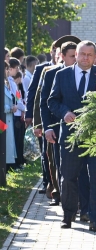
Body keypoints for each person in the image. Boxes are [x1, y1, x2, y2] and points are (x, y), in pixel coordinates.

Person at [48, 40, 96, 232]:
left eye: (90, 55)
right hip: (70, 135)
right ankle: (68, 216)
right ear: (76, 54)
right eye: (82, 54)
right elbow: (52, 101)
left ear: (95, 56)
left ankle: (95, 219)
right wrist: (64, 112)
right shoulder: (62, 75)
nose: (85, 58)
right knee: (68, 176)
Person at [25, 38, 67, 195]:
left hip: (64, 120)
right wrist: (35, 120)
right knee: (47, 153)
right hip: (49, 119)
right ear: (54, 53)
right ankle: (48, 182)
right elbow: (35, 96)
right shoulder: (44, 69)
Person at [41, 38, 80, 207]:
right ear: (62, 56)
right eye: (72, 56)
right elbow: (44, 102)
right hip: (58, 127)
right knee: (59, 164)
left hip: (79, 129)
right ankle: (60, 195)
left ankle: (77, 200)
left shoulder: (84, 73)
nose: (75, 59)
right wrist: (47, 127)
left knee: (78, 168)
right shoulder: (52, 73)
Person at [8, 58, 26, 169]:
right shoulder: (11, 82)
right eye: (16, 68)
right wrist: (24, 109)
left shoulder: (12, 82)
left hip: (17, 114)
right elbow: (17, 99)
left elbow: (18, 98)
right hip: (14, 116)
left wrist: (23, 109)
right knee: (14, 140)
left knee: (17, 141)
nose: (17, 70)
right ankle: (14, 163)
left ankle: (16, 162)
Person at [4, 61, 17, 171]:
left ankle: (6, 169)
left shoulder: (6, 83)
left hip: (6, 120)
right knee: (3, 144)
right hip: (2, 122)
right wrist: (10, 108)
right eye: (6, 69)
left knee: (7, 145)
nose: (7, 71)